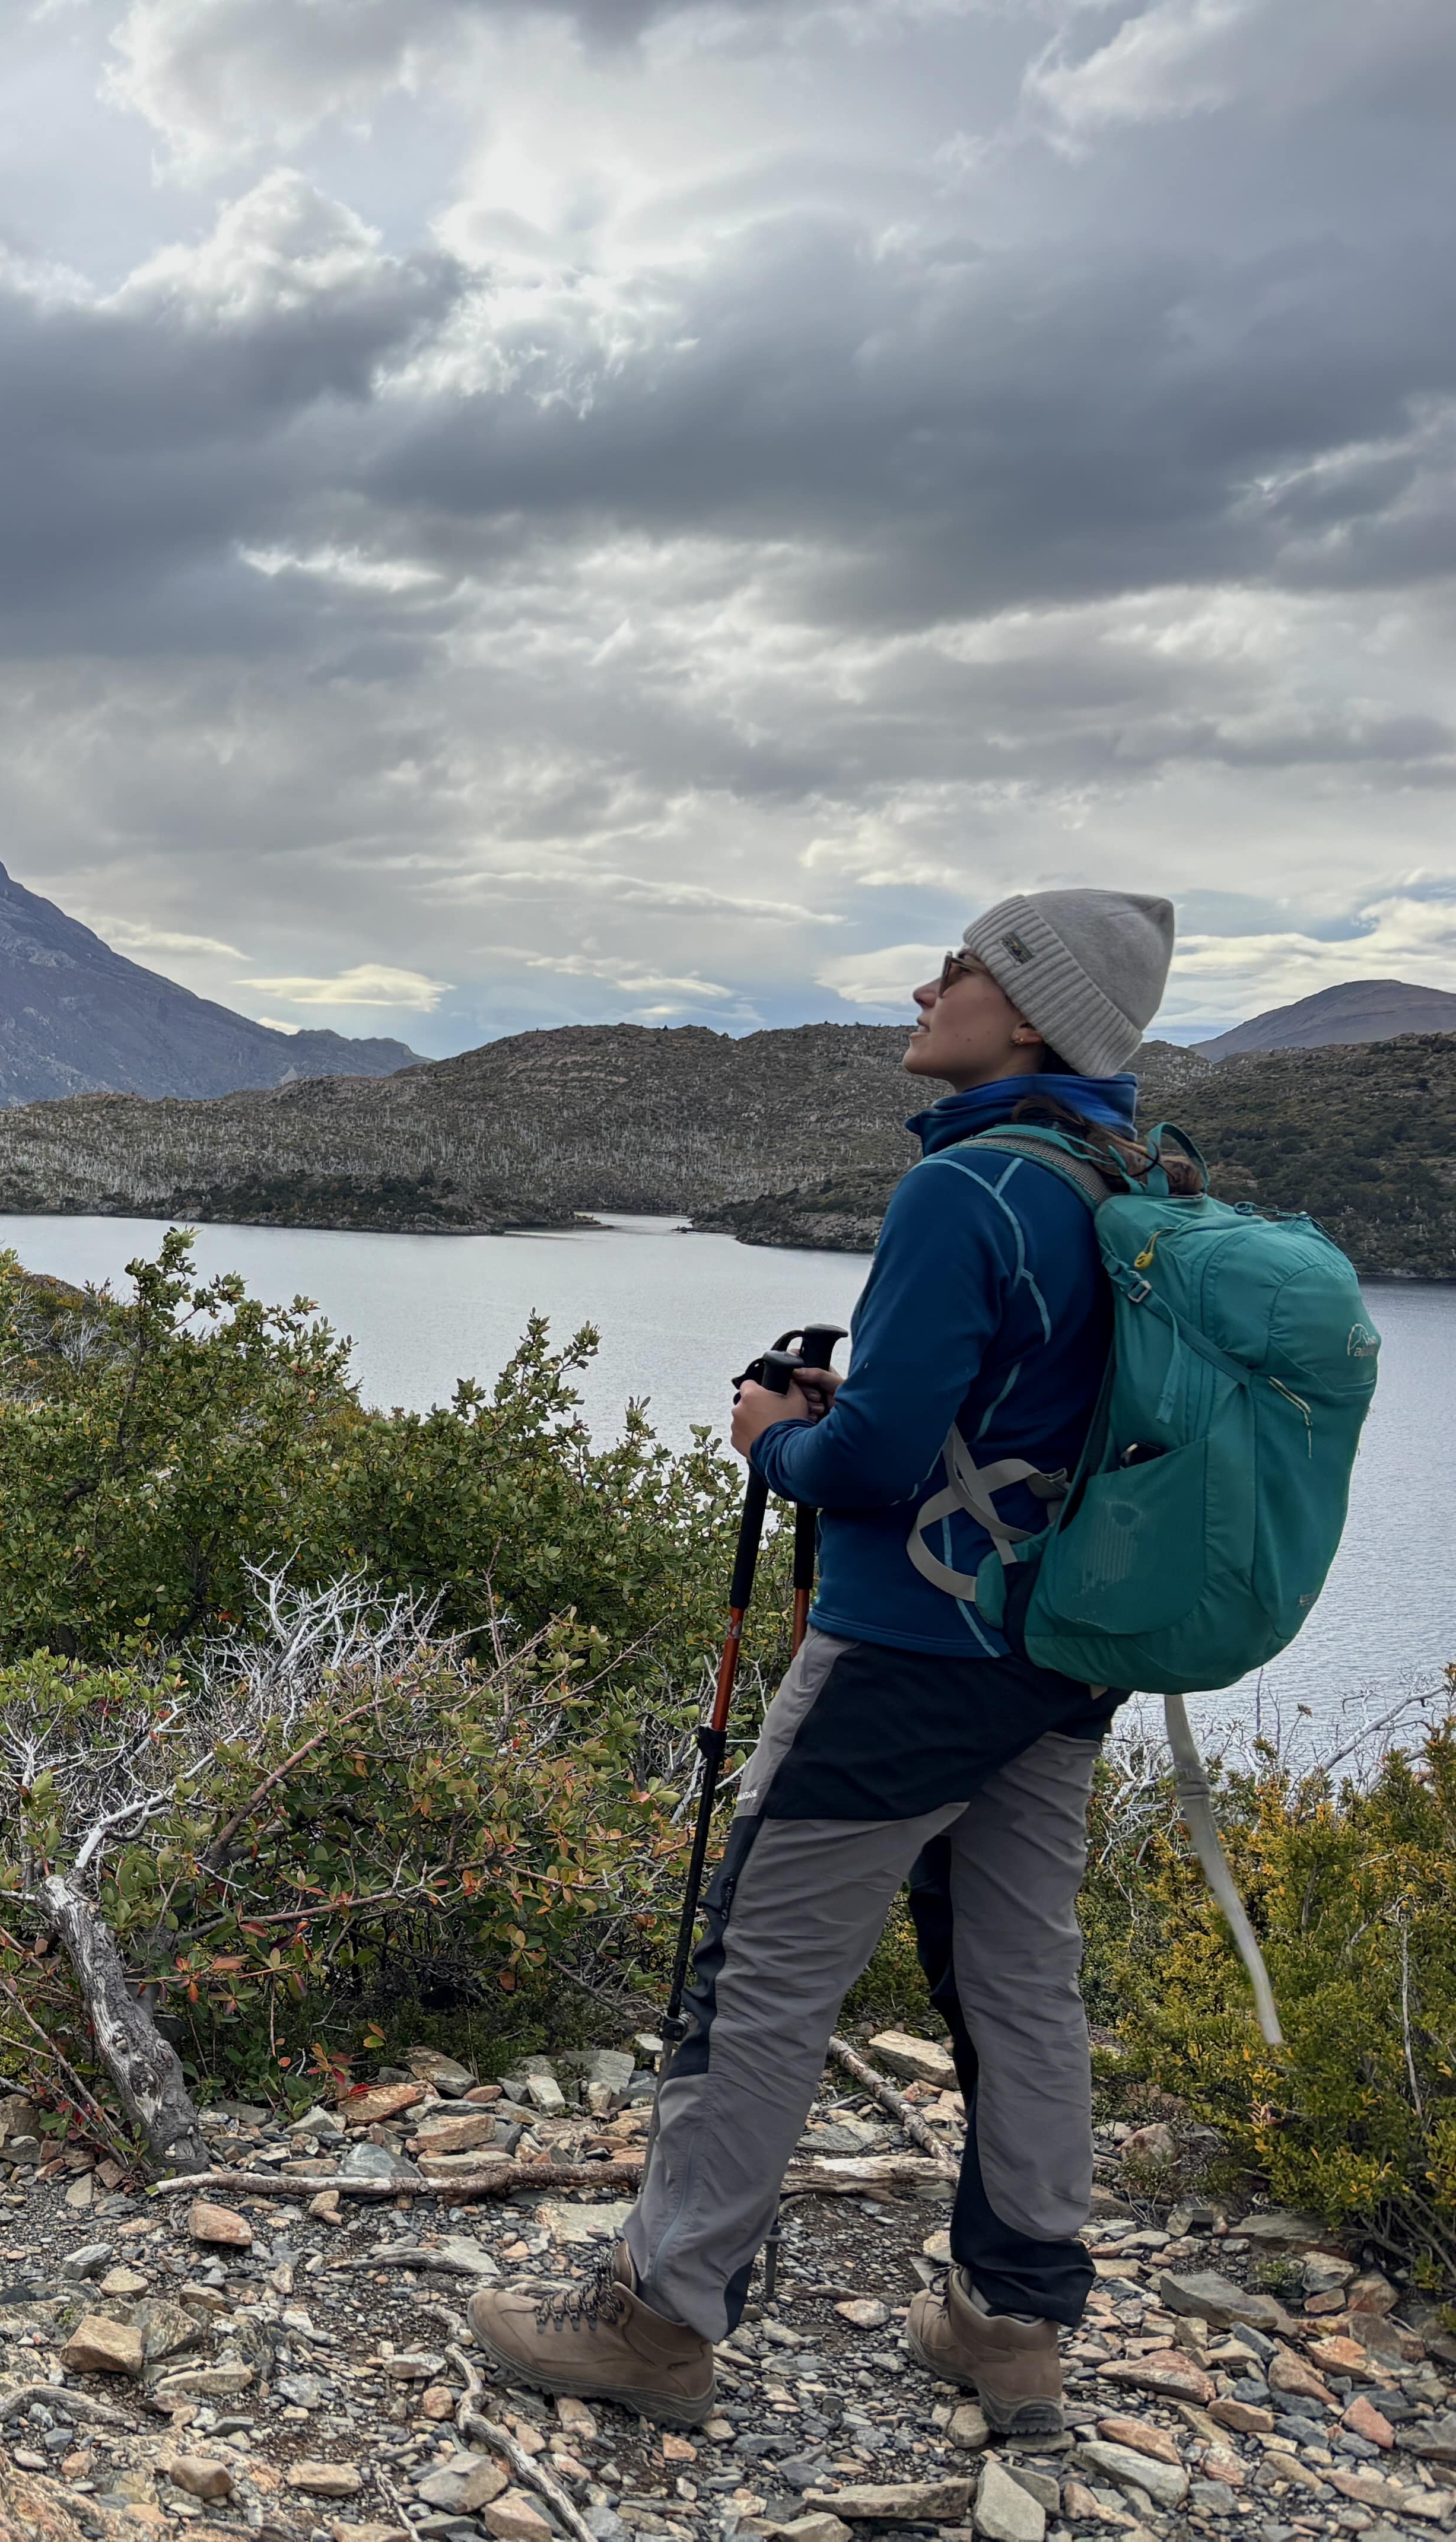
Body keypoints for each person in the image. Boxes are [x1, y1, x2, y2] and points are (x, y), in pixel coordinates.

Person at [470, 888, 1181, 2435]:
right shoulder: (1116, 1178)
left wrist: (774, 1434)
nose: (931, 987)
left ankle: (660, 2316)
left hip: (905, 1649)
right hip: (1050, 1660)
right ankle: (1015, 2317)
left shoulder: (969, 1189)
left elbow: (866, 1462)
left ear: (1034, 1017)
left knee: (761, 1970)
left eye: (967, 970)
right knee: (1018, 1979)